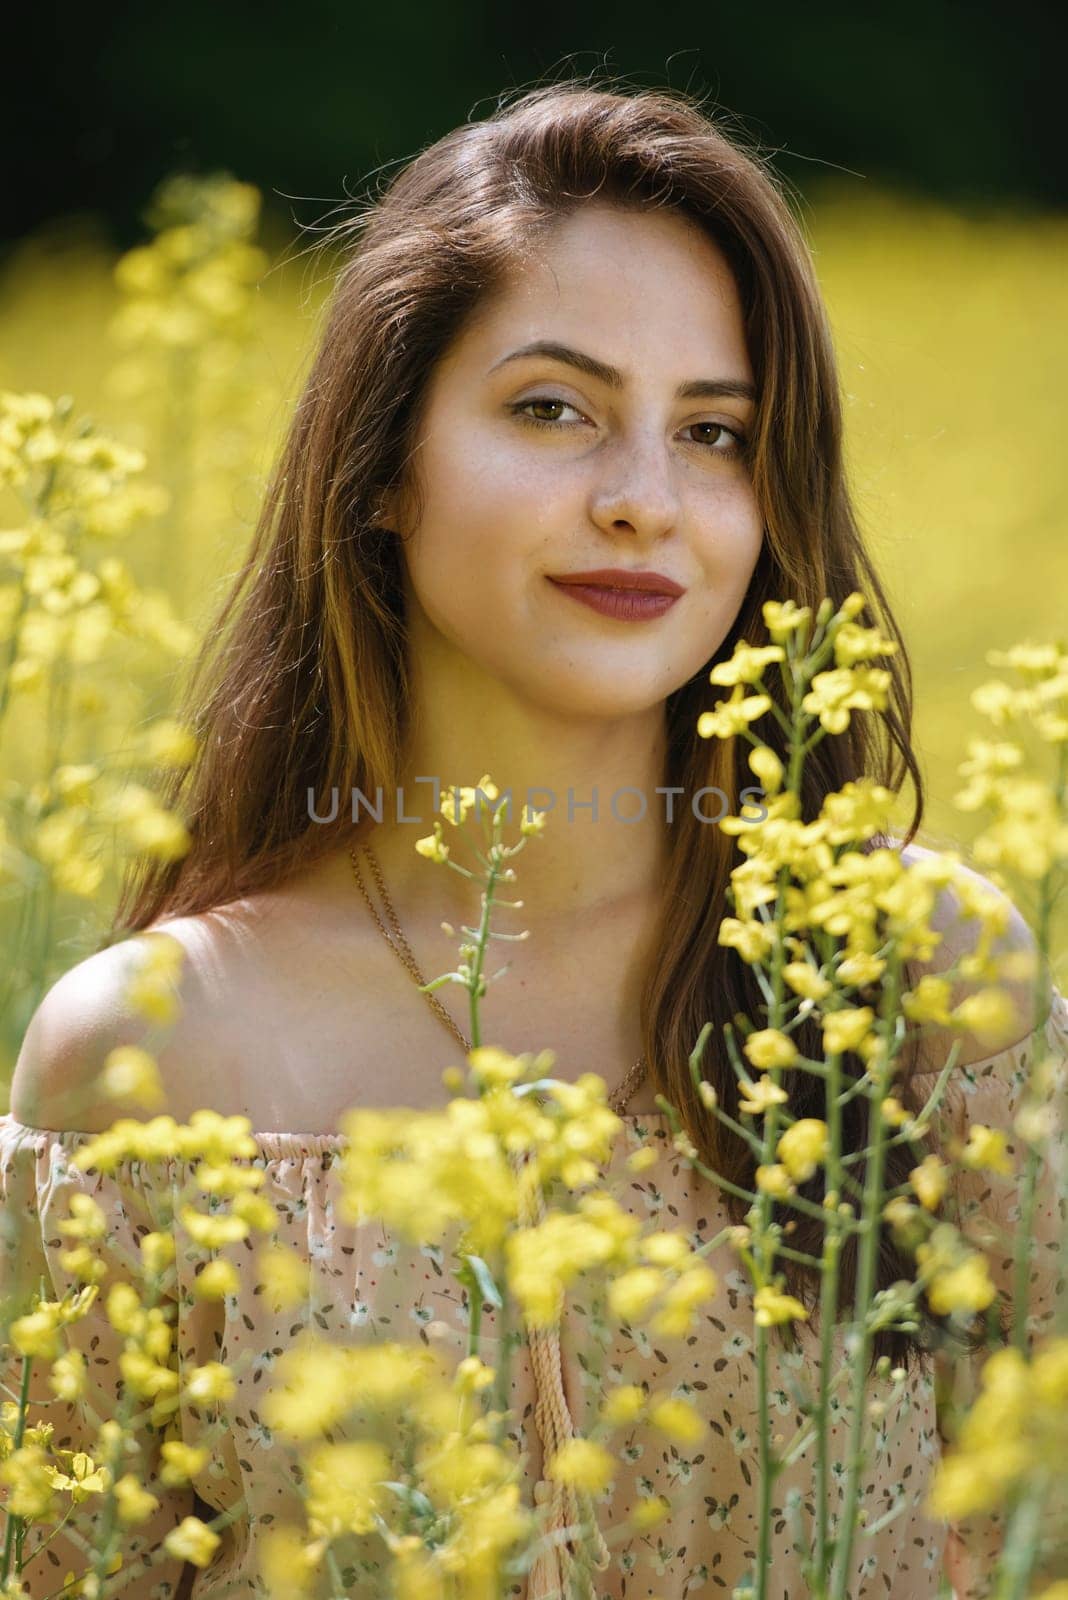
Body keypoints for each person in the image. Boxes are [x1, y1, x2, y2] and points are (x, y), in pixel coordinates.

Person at [2, 80, 1064, 1600]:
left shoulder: (918, 981)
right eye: (553, 409)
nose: (644, 501)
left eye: (715, 432)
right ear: (381, 468)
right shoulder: (158, 1059)